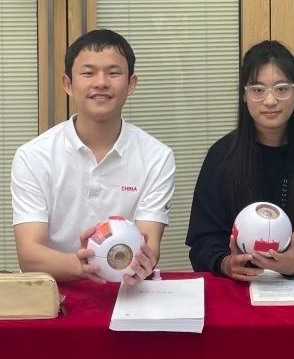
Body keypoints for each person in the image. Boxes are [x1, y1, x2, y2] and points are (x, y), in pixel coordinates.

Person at [11, 29, 175, 285]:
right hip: (53, 291)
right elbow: (30, 255)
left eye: (113, 73)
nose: (101, 83)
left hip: (127, 290)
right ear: (68, 84)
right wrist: (83, 264)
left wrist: (144, 260)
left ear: (131, 84)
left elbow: (148, 245)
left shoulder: (157, 157)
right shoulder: (33, 156)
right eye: (88, 73)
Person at [186, 40, 294, 280]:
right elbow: (202, 242)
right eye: (258, 90)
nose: (270, 101)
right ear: (244, 95)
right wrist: (226, 263)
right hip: (238, 286)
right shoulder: (220, 156)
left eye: (281, 89)